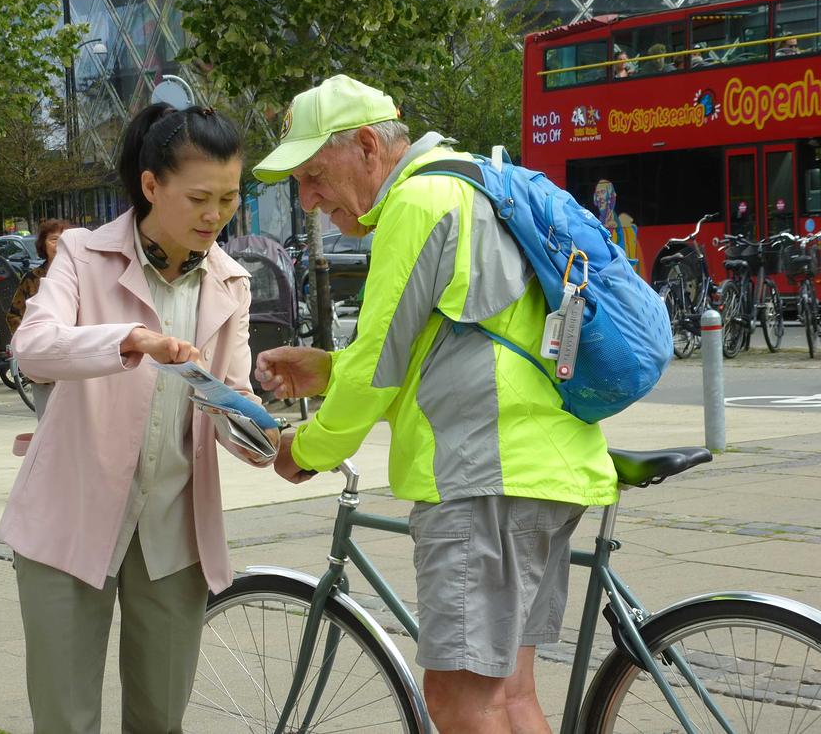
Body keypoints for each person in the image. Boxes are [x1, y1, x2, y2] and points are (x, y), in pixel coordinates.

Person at [252, 75, 618, 734]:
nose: (307, 198)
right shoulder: (467, 183)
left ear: (367, 146)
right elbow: (442, 345)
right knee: (509, 698)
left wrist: (305, 449)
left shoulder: (418, 202)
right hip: (539, 468)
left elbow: (378, 363)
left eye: (313, 175)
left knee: (459, 701)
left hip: (484, 477)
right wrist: (329, 369)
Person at [0, 101, 276, 733]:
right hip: (68, 521)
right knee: (65, 721)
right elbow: (32, 349)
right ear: (151, 186)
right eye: (199, 198)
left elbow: (231, 397)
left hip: (173, 532)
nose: (215, 216)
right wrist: (130, 340)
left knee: (160, 720)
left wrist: (264, 429)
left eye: (229, 199)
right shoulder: (80, 254)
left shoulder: (230, 282)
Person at [5, 218, 69, 419]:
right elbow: (14, 315)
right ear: (43, 244)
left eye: (64, 240)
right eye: (54, 240)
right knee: (47, 422)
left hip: (74, 362)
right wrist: (31, 342)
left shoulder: (81, 277)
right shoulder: (32, 279)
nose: (59, 245)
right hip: (44, 363)